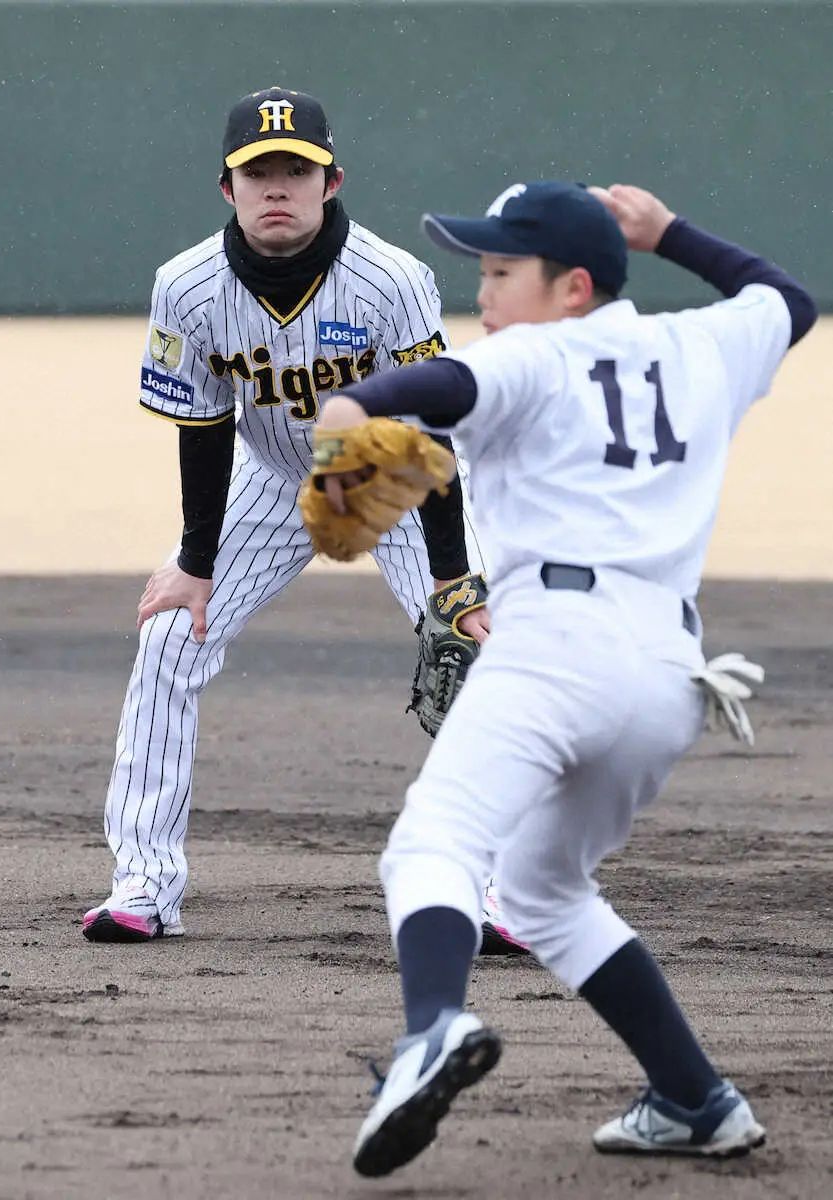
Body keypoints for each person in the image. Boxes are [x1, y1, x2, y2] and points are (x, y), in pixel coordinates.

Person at [305, 180, 816, 1175]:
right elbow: (785, 296)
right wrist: (670, 231)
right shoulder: (703, 347)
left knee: (430, 847)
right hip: (670, 672)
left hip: (556, 644)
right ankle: (695, 1099)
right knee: (541, 888)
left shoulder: (533, 352)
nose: (485, 291)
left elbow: (448, 386)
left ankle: (432, 1031)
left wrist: (357, 401)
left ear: (572, 286)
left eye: (502, 271)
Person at [81, 86, 524, 946]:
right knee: (171, 633)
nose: (276, 187)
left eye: (296, 170)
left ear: (331, 180)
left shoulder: (391, 279)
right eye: (258, 173)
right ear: (227, 189)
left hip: (398, 476)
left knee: (479, 649)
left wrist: (452, 582)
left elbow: (429, 426)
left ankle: (504, 890)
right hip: (272, 478)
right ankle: (143, 885)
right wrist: (195, 562)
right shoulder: (187, 286)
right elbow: (202, 429)